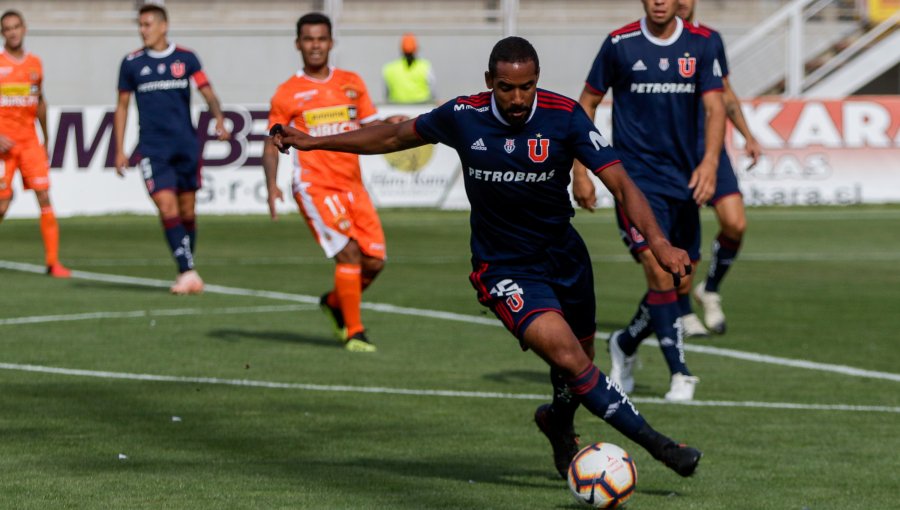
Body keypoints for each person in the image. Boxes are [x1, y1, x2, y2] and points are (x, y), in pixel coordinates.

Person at [270, 36, 702, 480]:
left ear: (537, 81)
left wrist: (658, 243)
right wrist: (312, 143)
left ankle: (558, 424)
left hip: (566, 258)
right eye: (506, 87)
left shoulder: (564, 115)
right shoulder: (463, 116)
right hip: (505, 268)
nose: (517, 99)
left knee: (577, 366)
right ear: (488, 82)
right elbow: (394, 135)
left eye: (527, 87)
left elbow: (622, 184)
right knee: (573, 361)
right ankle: (663, 447)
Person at [572, 0, 726, 401]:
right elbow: (585, 105)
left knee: (681, 278)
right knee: (660, 273)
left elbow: (715, 108)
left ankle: (624, 343)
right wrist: (580, 169)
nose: (659, 1)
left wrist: (710, 164)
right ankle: (681, 373)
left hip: (684, 178)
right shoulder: (619, 43)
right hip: (635, 181)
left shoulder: (705, 43)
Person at [262, 13, 406, 353]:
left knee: (375, 261)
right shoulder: (288, 92)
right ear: (298, 44)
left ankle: (333, 302)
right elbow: (273, 141)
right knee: (349, 254)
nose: (315, 45)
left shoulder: (351, 82)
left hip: (353, 184)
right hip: (315, 185)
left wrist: (390, 122)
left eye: (321, 38)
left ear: (331, 42)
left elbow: (370, 124)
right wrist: (271, 184)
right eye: (308, 39)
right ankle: (354, 332)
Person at [114, 3, 229, 295]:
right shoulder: (131, 63)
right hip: (153, 149)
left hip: (186, 145)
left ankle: (187, 268)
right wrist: (119, 149)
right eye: (140, 25)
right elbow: (122, 106)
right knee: (167, 205)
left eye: (148, 24)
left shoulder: (186, 58)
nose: (143, 31)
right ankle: (187, 271)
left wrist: (218, 119)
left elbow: (208, 92)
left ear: (164, 26)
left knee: (188, 210)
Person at [677, 0, 762, 336]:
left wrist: (748, 135)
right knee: (682, 237)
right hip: (673, 153)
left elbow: (724, 92)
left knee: (735, 223)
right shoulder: (649, 44)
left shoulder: (709, 39)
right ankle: (682, 311)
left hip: (710, 147)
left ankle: (709, 289)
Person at [0, 10, 70, 278]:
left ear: (24, 29)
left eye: (16, 27)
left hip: (29, 142)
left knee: (44, 195)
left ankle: (53, 263)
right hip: (3, 147)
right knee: (2, 205)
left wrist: (46, 136)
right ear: (2, 33)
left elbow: (40, 101)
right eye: (7, 29)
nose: (13, 32)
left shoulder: (35, 64)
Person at [382, 32, 436, 104]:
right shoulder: (425, 66)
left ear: (401, 49)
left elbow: (386, 93)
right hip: (422, 107)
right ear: (416, 49)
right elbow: (432, 90)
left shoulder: (389, 68)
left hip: (397, 108)